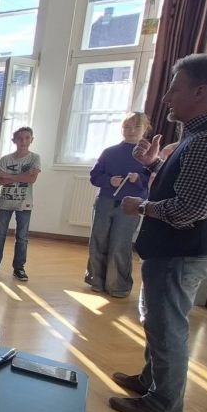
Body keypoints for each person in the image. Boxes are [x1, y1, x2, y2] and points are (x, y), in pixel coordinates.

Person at [110, 54, 207, 412]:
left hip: (182, 250)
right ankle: (152, 381)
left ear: (201, 91)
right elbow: (191, 187)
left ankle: (164, 404)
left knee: (167, 325)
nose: (167, 96)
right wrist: (155, 166)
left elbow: (189, 209)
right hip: (182, 249)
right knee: (158, 319)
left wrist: (140, 206)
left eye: (175, 88)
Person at [86, 113, 151, 298]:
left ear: (145, 129)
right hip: (105, 201)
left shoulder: (148, 156)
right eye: (127, 127)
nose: (131, 131)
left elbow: (152, 182)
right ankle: (96, 279)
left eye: (136, 127)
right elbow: (94, 176)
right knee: (98, 241)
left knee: (120, 244)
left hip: (131, 206)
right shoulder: (109, 152)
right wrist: (109, 181)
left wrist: (138, 179)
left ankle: (118, 286)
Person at [0, 127, 41, 281]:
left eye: (27, 138)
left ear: (31, 140)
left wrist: (8, 176)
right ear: (14, 140)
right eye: (20, 138)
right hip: (5, 202)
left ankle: (19, 268)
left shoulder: (34, 158)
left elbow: (31, 179)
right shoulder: (5, 159)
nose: (23, 141)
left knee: (22, 237)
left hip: (25, 203)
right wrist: (21, 176)